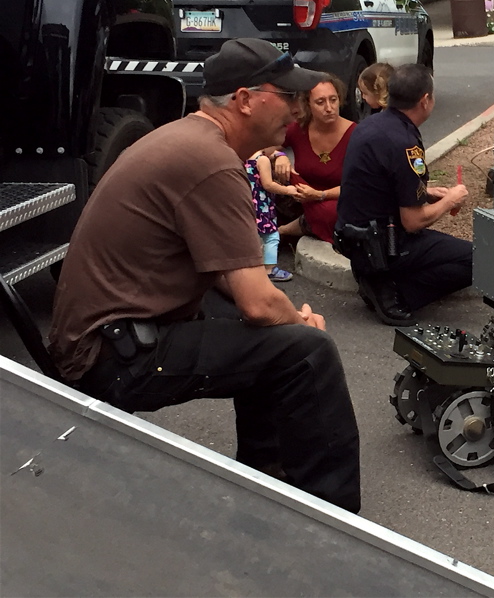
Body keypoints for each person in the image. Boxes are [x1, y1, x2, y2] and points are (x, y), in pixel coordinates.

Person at [47, 38, 362, 513]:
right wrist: (298, 323)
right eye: (288, 96)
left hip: (105, 335)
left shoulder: (190, 139)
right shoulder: (211, 162)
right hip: (109, 356)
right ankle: (333, 518)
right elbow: (258, 301)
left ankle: (267, 486)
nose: (298, 110)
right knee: (306, 353)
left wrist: (281, 317)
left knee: (271, 333)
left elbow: (230, 280)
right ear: (244, 99)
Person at [335, 63, 472, 326]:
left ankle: (377, 278)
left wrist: (427, 192)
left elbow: (378, 185)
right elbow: (413, 221)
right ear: (425, 100)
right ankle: (393, 293)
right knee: (474, 260)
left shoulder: (370, 125)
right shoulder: (405, 142)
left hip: (354, 237)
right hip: (384, 243)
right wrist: (449, 200)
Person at [276, 75, 356, 244]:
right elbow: (262, 147)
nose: (329, 108)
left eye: (333, 100)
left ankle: (286, 230)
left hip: (335, 199)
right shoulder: (299, 129)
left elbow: (359, 186)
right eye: (320, 102)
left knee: (337, 212)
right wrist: (279, 156)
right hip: (301, 196)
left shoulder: (356, 134)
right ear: (308, 105)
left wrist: (320, 195)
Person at [246, 146, 300, 281]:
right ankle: (269, 269)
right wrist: (288, 190)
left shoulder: (244, 156)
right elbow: (268, 184)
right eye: (276, 147)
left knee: (251, 235)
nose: (277, 152)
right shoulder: (262, 159)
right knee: (271, 235)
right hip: (262, 205)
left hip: (247, 202)